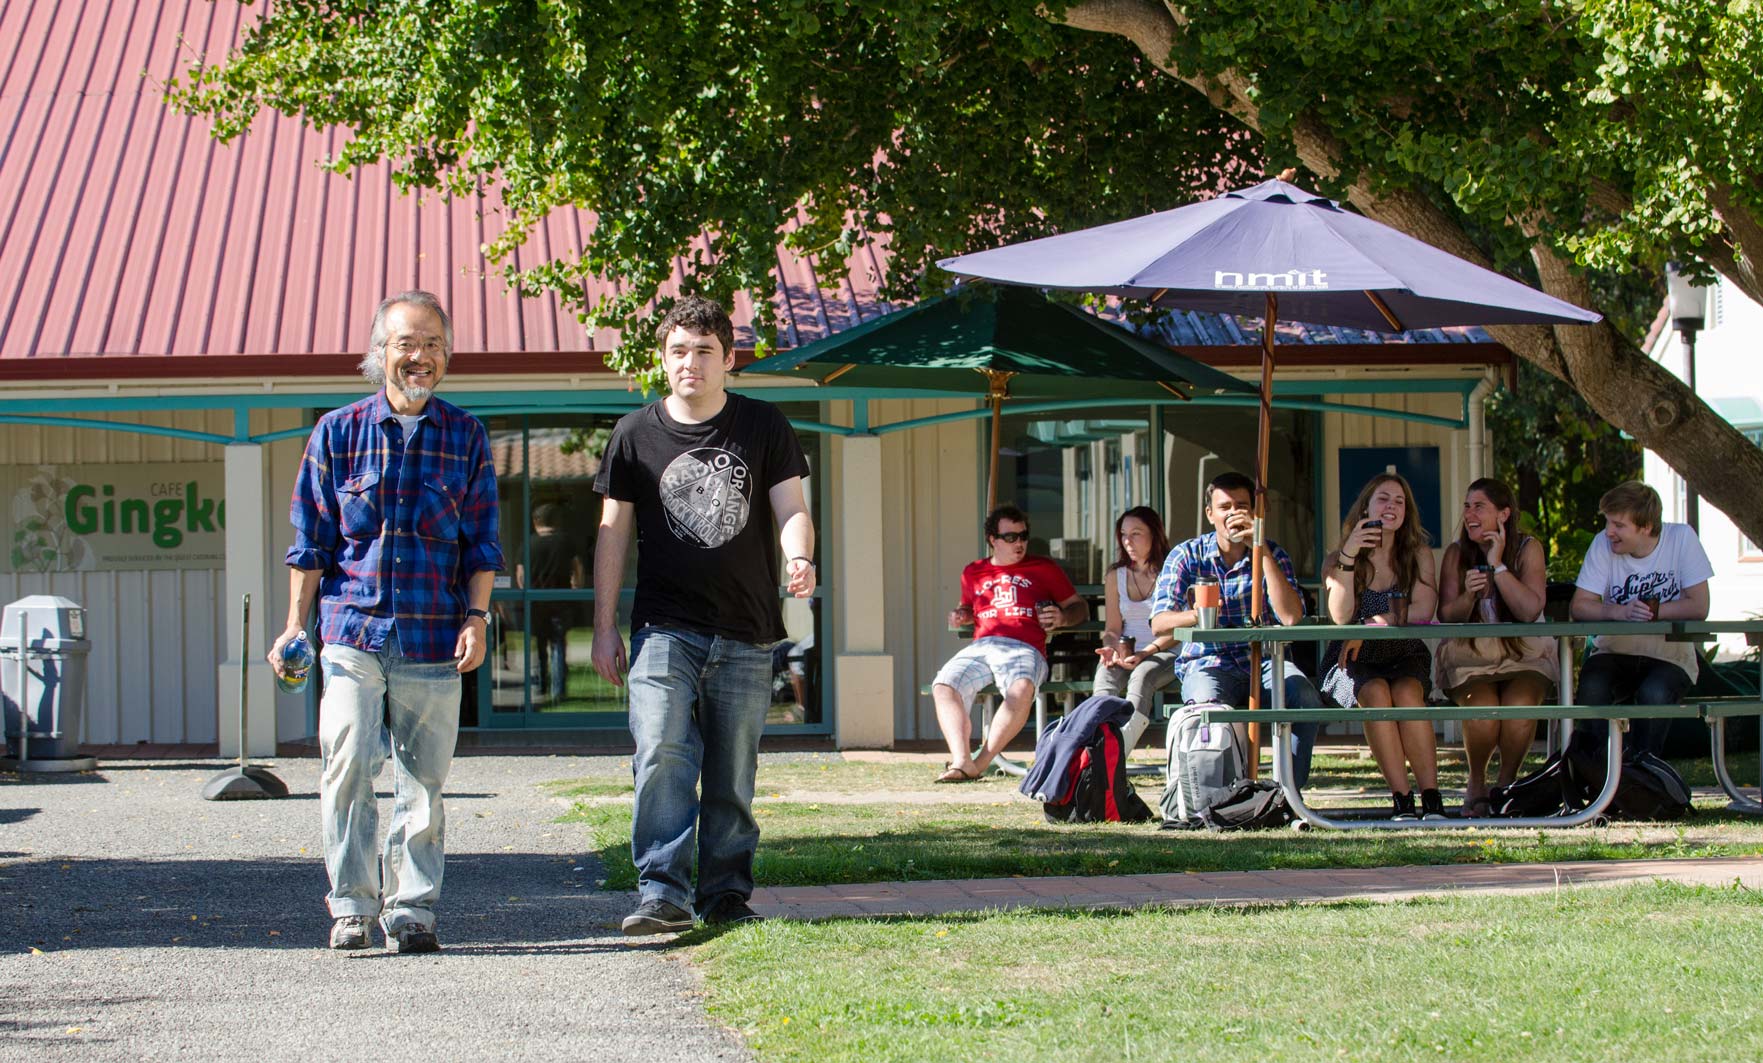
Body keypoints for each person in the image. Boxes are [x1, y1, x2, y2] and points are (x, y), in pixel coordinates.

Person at [269, 290, 503, 953]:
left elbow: (481, 543)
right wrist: (292, 626)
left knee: (423, 782)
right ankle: (351, 907)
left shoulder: (466, 436)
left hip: (434, 634)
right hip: (351, 631)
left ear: (447, 356)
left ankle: (413, 911)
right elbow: (309, 543)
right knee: (345, 762)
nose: (420, 356)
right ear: (380, 353)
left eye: (433, 344)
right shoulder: (336, 434)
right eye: (406, 342)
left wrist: (478, 616)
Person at [590, 295, 815, 936]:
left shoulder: (764, 426)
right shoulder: (634, 434)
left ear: (728, 359)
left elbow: (791, 509)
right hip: (664, 626)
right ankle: (661, 891)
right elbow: (612, 535)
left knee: (731, 771)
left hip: (746, 629)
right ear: (663, 359)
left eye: (704, 351)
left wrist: (799, 556)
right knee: (661, 749)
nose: (691, 362)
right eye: (679, 351)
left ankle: (724, 893)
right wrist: (604, 625)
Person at [1150, 472, 1325, 787]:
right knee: (1208, 715)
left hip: (1262, 661)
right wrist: (1198, 615)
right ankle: (1218, 798)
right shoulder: (1187, 555)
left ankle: (1288, 794)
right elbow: (1159, 622)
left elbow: (1290, 617)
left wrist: (1260, 551)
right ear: (1210, 514)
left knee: (1305, 699)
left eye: (1242, 505)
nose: (1233, 513)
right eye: (1225, 506)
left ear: (1256, 512)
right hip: (1207, 662)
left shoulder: (1273, 553)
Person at [931, 505, 1088, 782]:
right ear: (993, 539)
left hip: (1024, 647)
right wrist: (961, 616)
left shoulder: (1044, 568)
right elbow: (966, 609)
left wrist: (1063, 617)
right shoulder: (973, 572)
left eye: (1023, 536)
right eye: (1011, 537)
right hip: (983, 646)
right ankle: (961, 760)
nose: (1020, 543)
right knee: (944, 686)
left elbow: (1079, 608)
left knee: (1022, 688)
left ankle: (980, 763)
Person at [1320, 473, 1442, 819]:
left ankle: (1432, 799)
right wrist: (1348, 554)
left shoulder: (1417, 553)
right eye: (1383, 499)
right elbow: (1341, 617)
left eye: (1399, 501)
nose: (1392, 507)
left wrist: (1372, 624)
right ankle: (1402, 800)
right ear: (1366, 508)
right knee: (1374, 693)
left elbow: (1423, 610)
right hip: (1353, 657)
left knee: (1406, 695)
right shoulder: (1340, 557)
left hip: (1402, 651)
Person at [1434, 478, 1556, 817]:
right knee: (1484, 710)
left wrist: (1499, 566)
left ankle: (1504, 787)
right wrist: (1469, 595)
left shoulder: (1528, 548)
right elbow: (1447, 615)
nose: (1469, 514)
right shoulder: (1457, 553)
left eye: (1479, 506)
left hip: (1524, 652)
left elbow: (1529, 611)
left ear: (1504, 513)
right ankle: (1476, 782)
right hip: (1472, 654)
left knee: (1518, 708)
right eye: (1467, 506)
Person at [1569, 480, 1712, 757]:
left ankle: (1643, 779)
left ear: (1645, 527)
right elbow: (1580, 606)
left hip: (1670, 655)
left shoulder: (1681, 538)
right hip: (1614, 650)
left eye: (1618, 525)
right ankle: (1596, 778)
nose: (1609, 532)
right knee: (1593, 685)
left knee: (1654, 694)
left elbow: (1700, 606)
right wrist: (1618, 611)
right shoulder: (1602, 544)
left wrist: (1651, 611)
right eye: (1608, 523)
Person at [1091, 506, 1179, 756]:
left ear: (1155, 535)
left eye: (1136, 533)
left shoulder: (1171, 571)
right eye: (1123, 534)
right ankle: (1098, 747)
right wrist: (1111, 647)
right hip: (1127, 650)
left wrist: (1145, 652)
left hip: (1166, 649)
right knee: (1104, 675)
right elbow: (1112, 628)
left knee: (1142, 675)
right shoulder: (1115, 576)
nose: (1128, 541)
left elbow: (1179, 627)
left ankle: (1119, 753)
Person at [519, 503, 585, 702]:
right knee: (558, 644)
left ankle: (541, 685)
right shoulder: (565, 542)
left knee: (540, 644)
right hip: (560, 600)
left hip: (536, 602)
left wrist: (526, 592)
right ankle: (558, 690)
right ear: (556, 520)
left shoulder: (528, 544)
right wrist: (577, 588)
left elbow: (521, 576)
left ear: (536, 521)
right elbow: (577, 568)